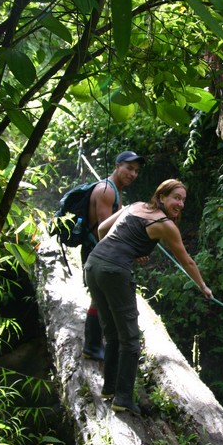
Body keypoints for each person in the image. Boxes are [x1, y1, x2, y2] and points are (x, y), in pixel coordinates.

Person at [84, 179, 213, 415]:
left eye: (183, 200)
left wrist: (123, 251)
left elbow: (103, 230)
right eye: (176, 197)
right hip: (114, 271)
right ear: (161, 197)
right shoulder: (166, 225)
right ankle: (122, 398)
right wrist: (203, 286)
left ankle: (109, 388)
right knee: (130, 338)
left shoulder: (134, 205)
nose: (181, 204)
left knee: (112, 332)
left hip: (93, 264)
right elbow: (187, 261)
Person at [82, 150, 145, 360]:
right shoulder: (106, 191)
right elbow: (105, 231)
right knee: (100, 299)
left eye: (136, 171)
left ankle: (96, 344)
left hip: (99, 251)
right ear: (117, 166)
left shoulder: (114, 190)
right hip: (97, 251)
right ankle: (92, 346)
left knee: (100, 298)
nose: (133, 174)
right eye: (129, 168)